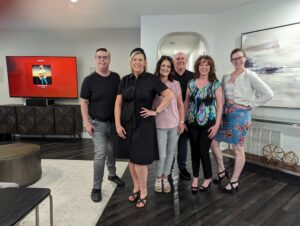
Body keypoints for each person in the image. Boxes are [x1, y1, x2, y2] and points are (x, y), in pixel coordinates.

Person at [114, 48, 173, 208]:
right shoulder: (124, 80)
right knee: (131, 160)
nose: (137, 62)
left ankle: (144, 192)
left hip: (143, 125)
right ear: (131, 62)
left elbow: (169, 95)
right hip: (126, 124)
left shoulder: (152, 79)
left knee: (140, 161)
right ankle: (136, 187)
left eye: (140, 60)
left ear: (145, 63)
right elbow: (118, 103)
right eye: (134, 59)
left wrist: (156, 111)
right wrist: (118, 124)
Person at [211, 48, 274, 193]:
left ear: (244, 58)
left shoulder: (250, 75)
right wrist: (219, 115)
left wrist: (249, 106)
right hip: (225, 115)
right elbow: (220, 98)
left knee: (238, 149)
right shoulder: (226, 77)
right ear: (231, 61)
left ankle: (234, 181)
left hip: (240, 116)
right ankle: (221, 171)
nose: (238, 60)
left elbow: (268, 94)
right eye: (234, 59)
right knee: (213, 143)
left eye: (240, 57)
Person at [80, 48, 125, 203]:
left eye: (105, 57)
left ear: (109, 60)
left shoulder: (116, 77)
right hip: (97, 124)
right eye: (99, 57)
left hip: (113, 124)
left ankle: (112, 174)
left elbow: (120, 100)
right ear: (95, 59)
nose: (102, 60)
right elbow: (84, 102)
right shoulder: (89, 80)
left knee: (112, 151)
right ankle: (96, 187)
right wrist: (86, 122)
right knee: (101, 154)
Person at [185, 55, 223, 194]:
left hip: (209, 123)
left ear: (211, 67)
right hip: (192, 122)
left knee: (203, 150)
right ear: (197, 67)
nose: (204, 67)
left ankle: (207, 177)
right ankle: (195, 178)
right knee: (194, 151)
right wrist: (183, 121)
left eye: (207, 64)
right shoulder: (191, 83)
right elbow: (186, 102)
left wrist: (217, 125)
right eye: (201, 64)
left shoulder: (215, 84)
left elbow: (220, 106)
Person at [152, 56, 185, 193]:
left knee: (171, 153)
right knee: (162, 155)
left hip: (174, 124)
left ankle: (166, 177)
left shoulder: (175, 84)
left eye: (168, 66)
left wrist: (182, 122)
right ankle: (158, 178)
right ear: (159, 67)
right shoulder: (153, 82)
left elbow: (180, 105)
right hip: (159, 124)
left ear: (171, 69)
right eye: (163, 65)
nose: (165, 68)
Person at [173, 52, 194, 180]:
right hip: (170, 116)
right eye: (177, 59)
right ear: (173, 61)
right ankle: (168, 169)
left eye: (182, 58)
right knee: (169, 145)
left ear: (185, 61)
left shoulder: (192, 76)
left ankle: (182, 167)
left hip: (186, 116)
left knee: (182, 144)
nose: (180, 61)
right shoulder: (169, 75)